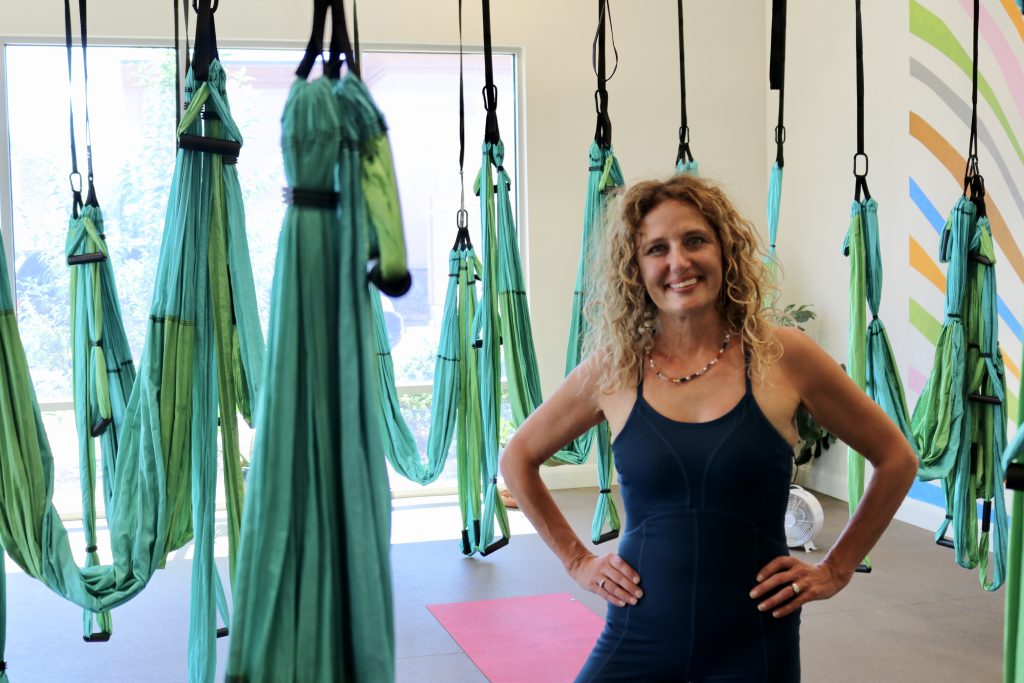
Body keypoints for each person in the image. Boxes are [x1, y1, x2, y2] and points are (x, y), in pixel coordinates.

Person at [500, 175, 918, 682]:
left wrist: (836, 567)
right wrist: (577, 561)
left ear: (725, 251)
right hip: (638, 633)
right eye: (657, 248)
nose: (679, 262)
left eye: (695, 240)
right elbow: (518, 458)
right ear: (636, 269)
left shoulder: (785, 356)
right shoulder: (612, 369)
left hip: (754, 643)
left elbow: (896, 458)